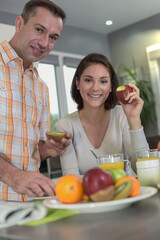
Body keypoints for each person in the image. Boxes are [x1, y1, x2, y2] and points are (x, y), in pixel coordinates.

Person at [0, 0, 72, 201]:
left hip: (29, 205)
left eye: (53, 37)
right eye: (39, 30)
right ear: (19, 24)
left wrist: (48, 149)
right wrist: (13, 176)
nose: (44, 43)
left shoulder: (42, 88)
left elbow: (34, 150)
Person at [56, 53, 149, 176]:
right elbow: (71, 179)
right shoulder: (66, 125)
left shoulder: (122, 115)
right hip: (88, 195)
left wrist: (133, 119)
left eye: (103, 81)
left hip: (124, 192)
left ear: (111, 86)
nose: (95, 88)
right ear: (78, 83)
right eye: (88, 80)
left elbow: (143, 169)